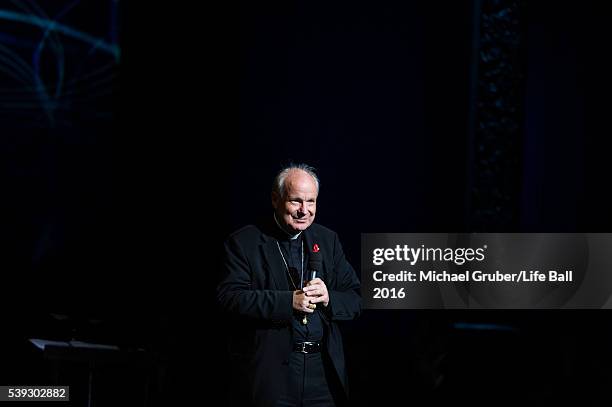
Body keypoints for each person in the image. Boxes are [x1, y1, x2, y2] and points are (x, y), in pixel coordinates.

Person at [217, 163, 361, 407]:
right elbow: (229, 297)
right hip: (274, 374)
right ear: (276, 199)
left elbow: (356, 299)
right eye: (295, 201)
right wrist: (287, 301)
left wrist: (329, 297)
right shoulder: (244, 242)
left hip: (322, 373)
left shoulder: (328, 240)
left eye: (311, 202)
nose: (304, 211)